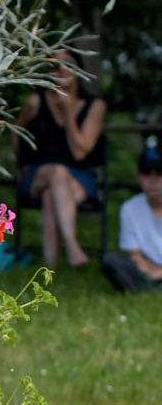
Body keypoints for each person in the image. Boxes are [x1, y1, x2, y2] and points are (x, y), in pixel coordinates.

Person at [15, 46, 107, 270]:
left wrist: (68, 113)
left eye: (69, 64)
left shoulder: (95, 106)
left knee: (51, 195)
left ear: (80, 70)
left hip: (80, 175)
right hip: (40, 172)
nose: (62, 70)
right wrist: (21, 163)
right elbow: (16, 129)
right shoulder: (36, 102)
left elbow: (80, 152)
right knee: (57, 172)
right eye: (55, 65)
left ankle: (50, 270)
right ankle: (72, 245)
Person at [103, 138, 162, 294]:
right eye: (147, 173)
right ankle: (150, 289)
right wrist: (153, 270)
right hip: (147, 270)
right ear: (139, 177)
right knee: (112, 261)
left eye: (159, 173)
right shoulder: (129, 208)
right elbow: (135, 257)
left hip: (154, 271)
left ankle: (147, 289)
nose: (153, 180)